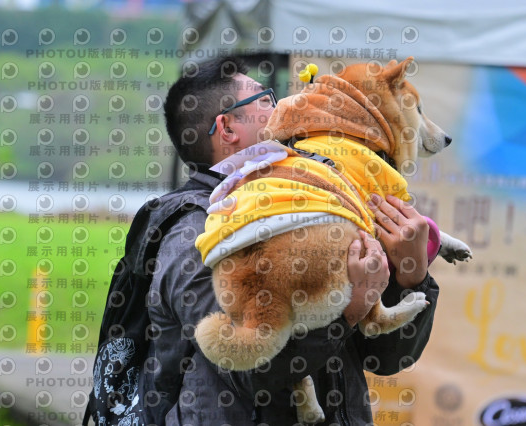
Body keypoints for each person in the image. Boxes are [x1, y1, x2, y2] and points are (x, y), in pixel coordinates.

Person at [135, 56, 440, 425]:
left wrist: (411, 274)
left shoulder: (310, 197)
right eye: (265, 99)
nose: (282, 105)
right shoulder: (196, 232)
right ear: (227, 128)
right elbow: (250, 370)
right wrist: (352, 307)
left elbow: (388, 359)